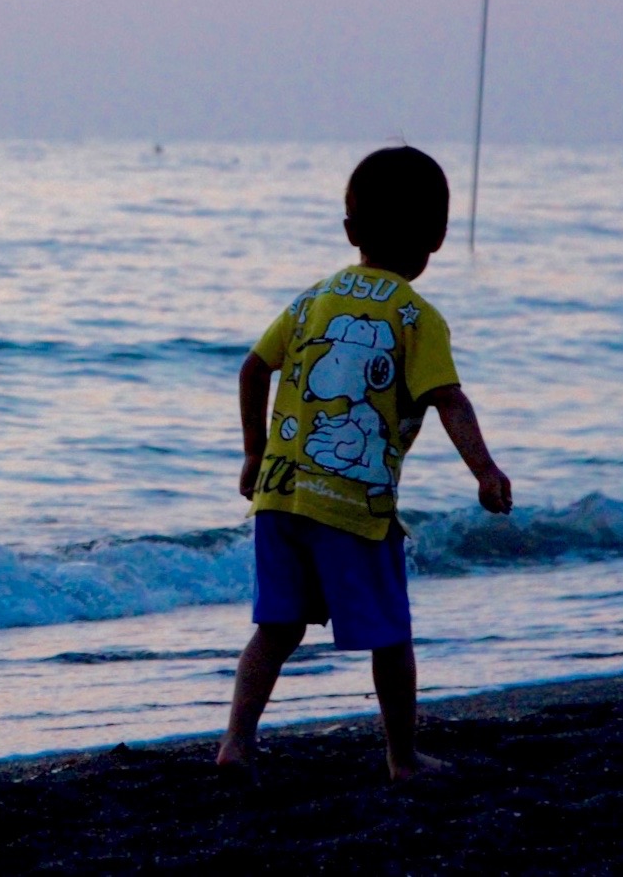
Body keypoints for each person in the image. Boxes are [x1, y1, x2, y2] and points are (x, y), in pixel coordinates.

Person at [215, 146, 512, 780]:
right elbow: (447, 400)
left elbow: (252, 368)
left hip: (280, 496)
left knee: (276, 627)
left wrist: (252, 453)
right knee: (390, 634)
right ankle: (402, 757)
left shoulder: (312, 300)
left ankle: (236, 743)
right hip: (354, 506)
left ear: (350, 232)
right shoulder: (416, 317)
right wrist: (485, 471)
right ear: (438, 236)